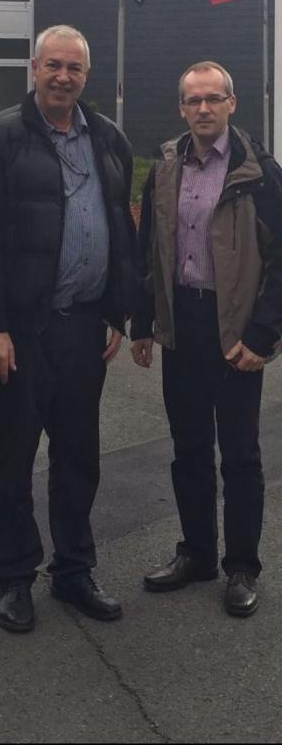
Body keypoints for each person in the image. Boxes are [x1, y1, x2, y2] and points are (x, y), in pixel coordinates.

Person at [0, 25, 136, 632]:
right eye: (53, 65)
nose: (64, 77)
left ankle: (74, 570)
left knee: (78, 457)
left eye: (74, 68)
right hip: (22, 333)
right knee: (14, 458)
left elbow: (121, 230)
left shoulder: (109, 138)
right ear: (34, 68)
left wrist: (116, 312)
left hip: (83, 328)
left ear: (86, 75)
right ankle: (14, 578)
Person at [131, 60, 282, 617]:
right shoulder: (166, 167)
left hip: (236, 331)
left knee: (239, 455)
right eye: (193, 100)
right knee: (189, 448)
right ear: (181, 108)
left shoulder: (259, 172)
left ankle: (241, 566)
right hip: (182, 328)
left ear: (231, 104)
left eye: (213, 98)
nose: (203, 108)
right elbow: (149, 248)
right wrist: (143, 323)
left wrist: (263, 334)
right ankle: (196, 552)